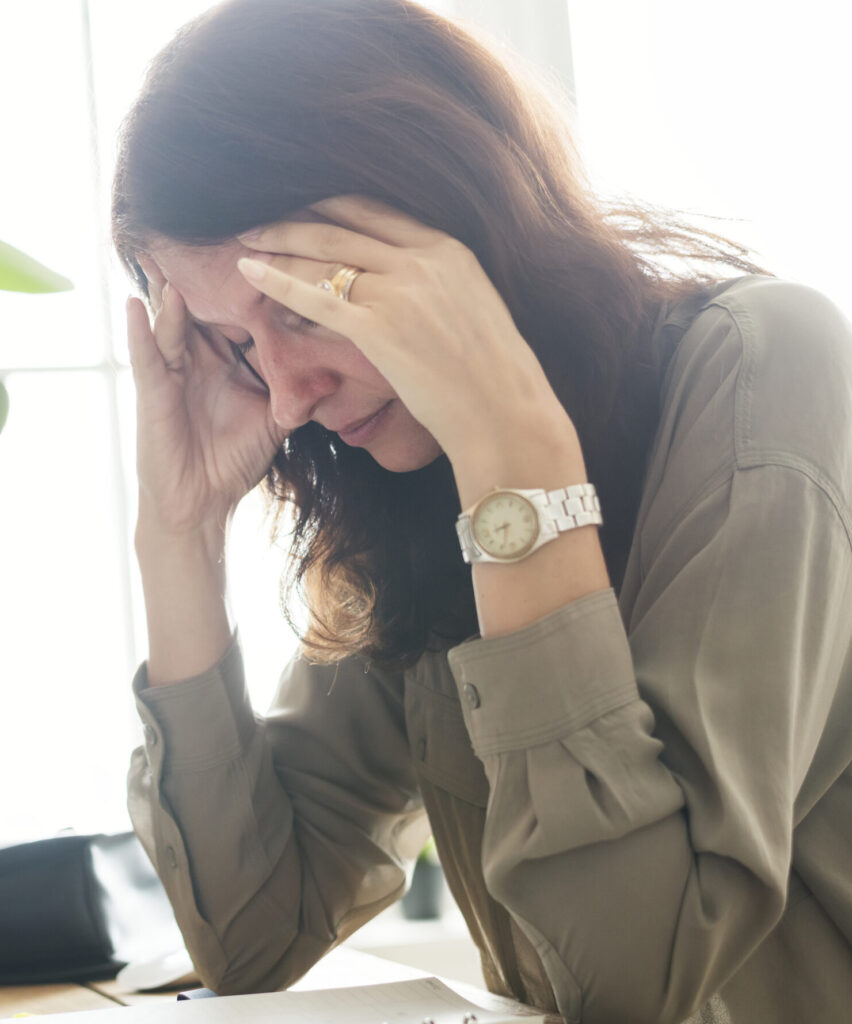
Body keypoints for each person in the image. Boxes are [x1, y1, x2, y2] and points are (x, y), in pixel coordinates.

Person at [112, 1, 852, 1021]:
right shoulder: (408, 486)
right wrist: (179, 533)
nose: (286, 397)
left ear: (443, 209)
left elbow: (631, 982)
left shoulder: (761, 364)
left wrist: (514, 455)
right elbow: (252, 935)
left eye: (301, 304)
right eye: (238, 343)